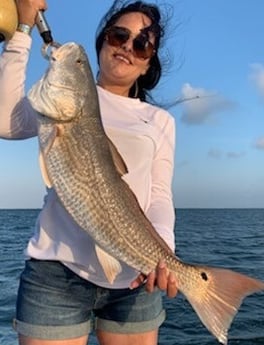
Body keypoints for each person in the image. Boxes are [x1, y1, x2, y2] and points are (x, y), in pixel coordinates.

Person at [0, 1, 178, 344]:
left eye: (141, 44)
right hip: (55, 275)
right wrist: (22, 33)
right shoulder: (58, 107)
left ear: (147, 65)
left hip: (133, 279)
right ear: (102, 42)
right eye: (118, 35)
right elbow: (5, 121)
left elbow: (159, 194)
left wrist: (164, 256)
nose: (127, 46)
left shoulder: (159, 122)